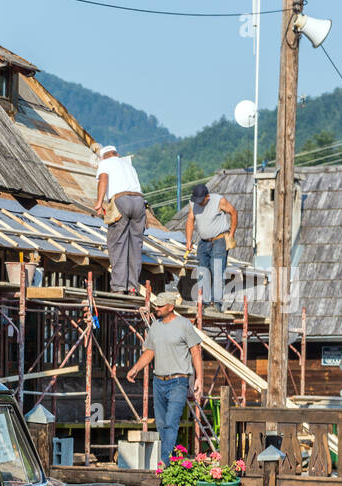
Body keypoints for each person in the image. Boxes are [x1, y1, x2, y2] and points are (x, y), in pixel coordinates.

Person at [126, 292, 204, 464]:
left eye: (160, 306)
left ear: (171, 306)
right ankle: (174, 460)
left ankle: (164, 464)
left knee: (171, 422)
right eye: (156, 306)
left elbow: (195, 351)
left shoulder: (184, 325)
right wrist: (136, 368)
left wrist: (199, 379)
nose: (156, 309)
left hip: (178, 381)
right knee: (161, 425)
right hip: (158, 381)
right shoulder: (155, 327)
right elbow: (150, 352)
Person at [93, 144, 146, 293]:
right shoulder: (128, 165)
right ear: (116, 153)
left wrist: (99, 203)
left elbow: (103, 178)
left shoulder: (105, 163)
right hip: (139, 202)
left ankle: (118, 287)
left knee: (117, 243)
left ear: (104, 156)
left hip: (121, 201)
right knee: (135, 246)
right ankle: (132, 287)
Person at [184, 184, 238, 310]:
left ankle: (217, 303)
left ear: (207, 197)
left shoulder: (219, 201)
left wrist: (232, 234)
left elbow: (233, 213)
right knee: (203, 271)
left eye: (201, 200)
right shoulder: (193, 204)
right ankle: (205, 302)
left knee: (217, 270)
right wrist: (188, 240)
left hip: (219, 240)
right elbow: (190, 221)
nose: (199, 203)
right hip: (203, 242)